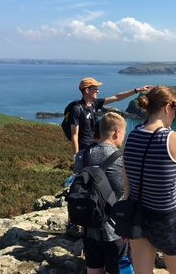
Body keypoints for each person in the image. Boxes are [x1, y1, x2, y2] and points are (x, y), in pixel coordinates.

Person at [122, 85, 176, 274]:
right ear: (166, 108)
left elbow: (127, 182)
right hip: (165, 219)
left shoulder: (131, 137)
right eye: (174, 109)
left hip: (137, 214)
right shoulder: (175, 139)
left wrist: (126, 219)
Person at [73, 112, 128, 274]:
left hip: (89, 225)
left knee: (93, 269)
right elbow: (124, 192)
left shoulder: (81, 156)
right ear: (117, 132)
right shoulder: (120, 158)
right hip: (114, 231)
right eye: (123, 134)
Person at [69, 77, 151, 155]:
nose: (97, 91)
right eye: (95, 89)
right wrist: (76, 156)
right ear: (87, 90)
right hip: (84, 149)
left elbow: (117, 97)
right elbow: (74, 135)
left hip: (94, 146)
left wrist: (137, 90)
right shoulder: (77, 109)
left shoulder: (94, 103)